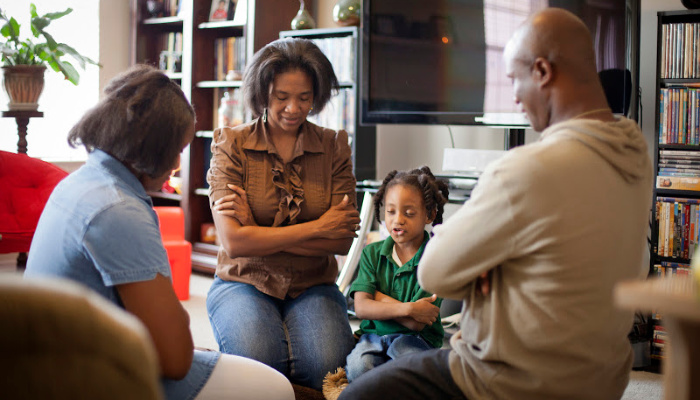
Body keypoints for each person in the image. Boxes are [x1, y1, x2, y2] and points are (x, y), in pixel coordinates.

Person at [338, 8, 653, 400]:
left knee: (356, 395)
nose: (516, 98)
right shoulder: (636, 155)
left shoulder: (527, 169)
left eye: (514, 80)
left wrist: (487, 267)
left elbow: (434, 272)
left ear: (542, 71)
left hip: (506, 380)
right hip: (602, 378)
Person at [24, 65, 294, 400]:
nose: (177, 165)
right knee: (276, 388)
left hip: (53, 365)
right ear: (154, 146)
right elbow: (176, 359)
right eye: (178, 151)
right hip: (93, 377)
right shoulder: (118, 211)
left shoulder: (80, 182)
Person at [205, 38, 359, 391]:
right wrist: (319, 226)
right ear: (262, 92)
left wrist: (256, 231)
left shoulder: (335, 145)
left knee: (327, 369)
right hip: (243, 281)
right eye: (281, 97)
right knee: (260, 368)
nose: (293, 108)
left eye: (304, 97)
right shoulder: (232, 145)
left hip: (312, 284)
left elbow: (341, 239)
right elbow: (234, 242)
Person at [343, 167, 449, 382]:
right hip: (372, 336)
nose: (397, 220)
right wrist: (409, 308)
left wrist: (378, 298)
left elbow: (418, 323)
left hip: (416, 339)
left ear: (429, 215)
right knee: (358, 369)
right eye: (390, 212)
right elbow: (362, 308)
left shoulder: (436, 258)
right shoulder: (372, 252)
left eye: (409, 213)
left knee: (406, 374)